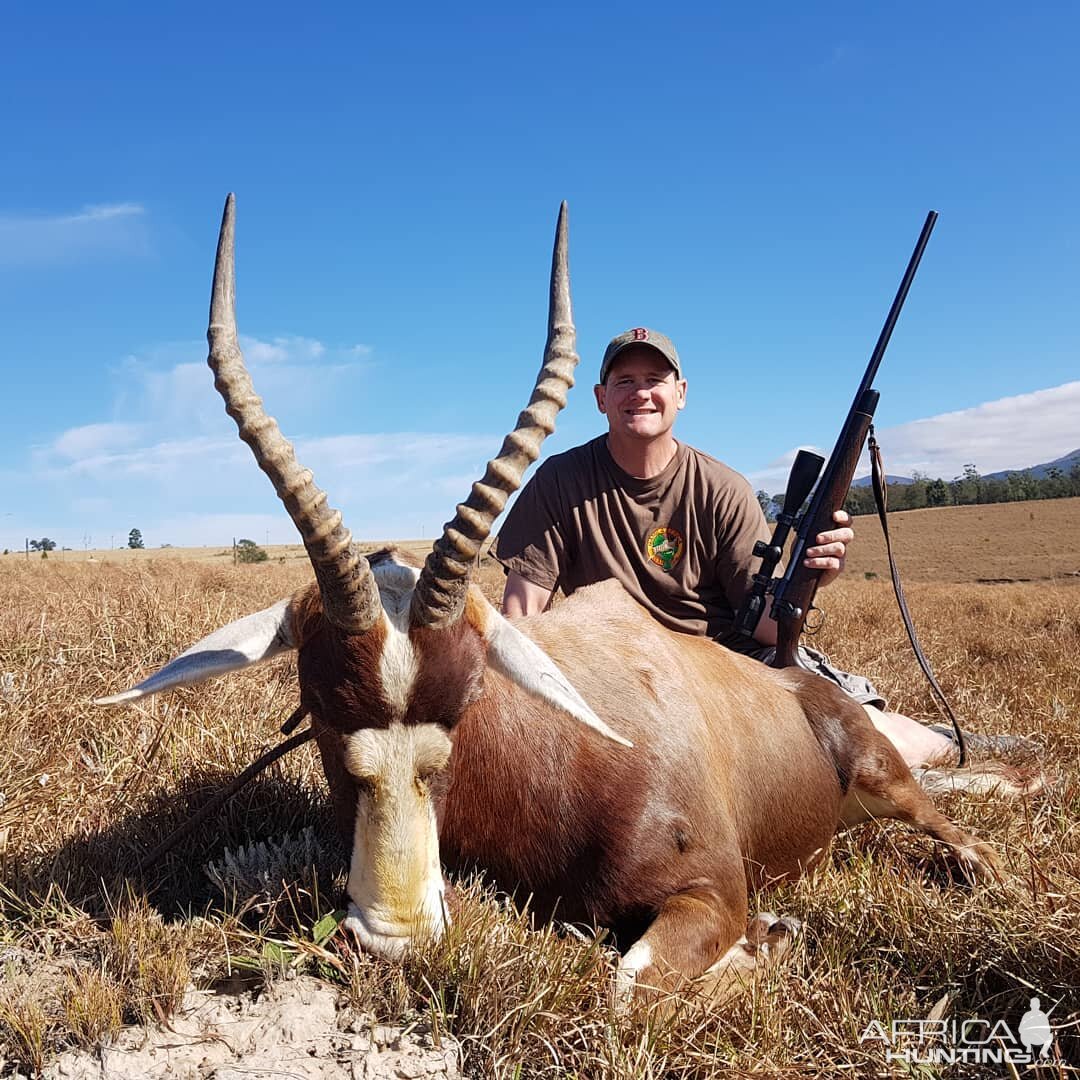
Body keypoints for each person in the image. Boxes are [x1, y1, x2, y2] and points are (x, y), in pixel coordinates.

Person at [494, 326, 962, 769]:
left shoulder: (722, 488)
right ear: (601, 398)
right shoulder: (558, 481)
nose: (640, 392)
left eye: (655, 380)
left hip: (719, 664)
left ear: (681, 393)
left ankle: (948, 742)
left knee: (867, 744)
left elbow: (765, 626)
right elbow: (522, 614)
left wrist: (811, 579)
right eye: (624, 381)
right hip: (613, 674)